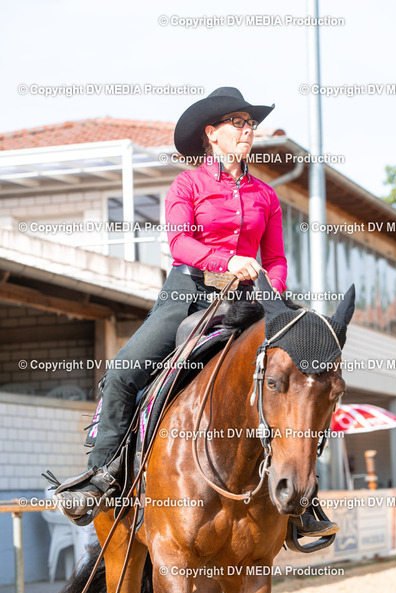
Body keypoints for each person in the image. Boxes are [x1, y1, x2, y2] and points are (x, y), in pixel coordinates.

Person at [54, 87, 337, 537]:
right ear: (212, 133)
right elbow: (180, 244)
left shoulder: (266, 195)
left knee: (302, 375)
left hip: (250, 301)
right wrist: (227, 261)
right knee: (125, 371)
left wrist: (273, 296)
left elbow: (276, 259)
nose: (248, 131)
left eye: (250, 124)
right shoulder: (187, 185)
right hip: (188, 293)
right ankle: (102, 476)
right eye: (238, 123)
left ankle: (303, 499)